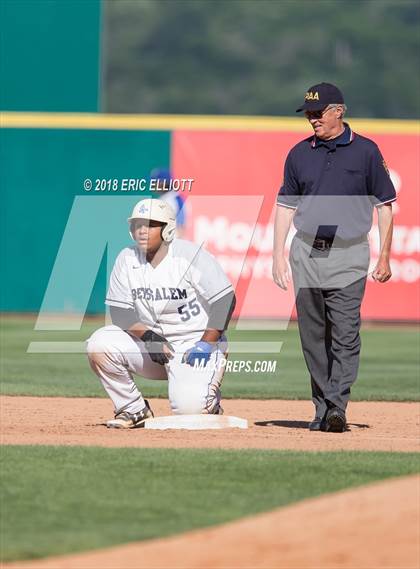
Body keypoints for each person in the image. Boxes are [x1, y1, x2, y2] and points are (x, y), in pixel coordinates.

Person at [273, 82, 396, 433]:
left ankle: (337, 405)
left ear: (338, 111)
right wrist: (277, 255)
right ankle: (323, 407)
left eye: (318, 112)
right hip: (308, 250)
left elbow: (386, 207)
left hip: (349, 251)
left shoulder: (367, 151)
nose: (312, 119)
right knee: (313, 336)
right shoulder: (298, 153)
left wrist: (384, 256)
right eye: (308, 113)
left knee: (345, 332)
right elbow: (285, 207)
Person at [87, 198, 235, 429]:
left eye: (151, 224)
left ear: (167, 229)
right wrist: (149, 338)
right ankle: (133, 409)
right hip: (154, 346)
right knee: (99, 344)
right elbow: (120, 311)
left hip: (194, 345)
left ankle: (209, 402)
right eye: (137, 225)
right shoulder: (126, 258)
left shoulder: (190, 255)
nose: (142, 230)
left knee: (189, 411)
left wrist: (207, 343)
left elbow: (225, 299)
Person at [150, 168, 187, 237]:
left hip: (172, 242)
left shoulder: (174, 199)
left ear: (165, 183)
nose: (153, 184)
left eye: (156, 182)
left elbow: (181, 226)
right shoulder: (168, 198)